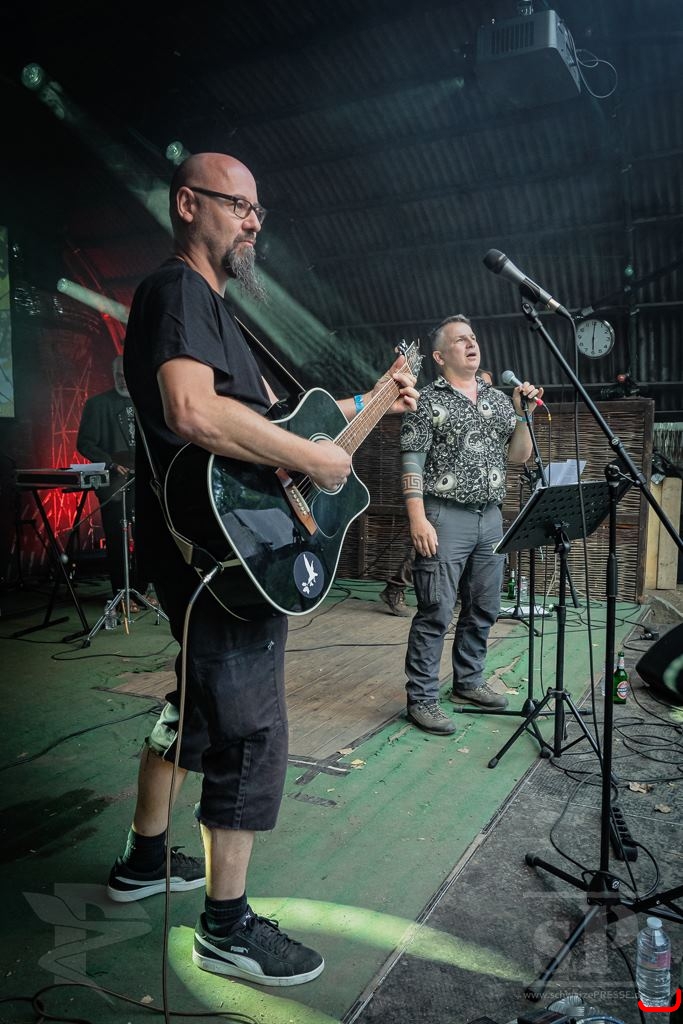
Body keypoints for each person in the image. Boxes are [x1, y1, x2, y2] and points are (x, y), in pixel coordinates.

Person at [109, 152, 418, 986]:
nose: (252, 222)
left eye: (257, 211)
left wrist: (373, 400)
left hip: (216, 549)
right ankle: (225, 927)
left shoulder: (208, 308)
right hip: (220, 555)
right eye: (237, 205)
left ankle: (145, 859)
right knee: (250, 732)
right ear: (187, 204)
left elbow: (285, 428)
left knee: (195, 704)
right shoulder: (180, 290)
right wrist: (314, 460)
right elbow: (192, 411)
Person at [400, 317, 542, 734]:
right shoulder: (426, 400)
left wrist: (523, 417)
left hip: (490, 517)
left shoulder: (498, 400)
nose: (471, 343)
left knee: (484, 606)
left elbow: (518, 456)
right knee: (436, 609)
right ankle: (422, 699)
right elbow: (411, 460)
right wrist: (417, 517)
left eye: (473, 338)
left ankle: (468, 681)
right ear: (440, 356)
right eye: (460, 340)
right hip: (444, 515)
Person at [378, 367, 494, 618]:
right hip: (438, 498)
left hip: (471, 509)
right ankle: (395, 588)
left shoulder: (486, 416)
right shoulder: (436, 406)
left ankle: (451, 595)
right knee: (426, 549)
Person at [77, 355, 148, 605]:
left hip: (145, 482)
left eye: (126, 375)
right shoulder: (98, 404)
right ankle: (121, 594)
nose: (122, 380)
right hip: (116, 483)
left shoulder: (145, 402)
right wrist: (109, 463)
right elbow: (85, 443)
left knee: (146, 538)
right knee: (117, 540)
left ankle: (141, 591)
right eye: (118, 375)